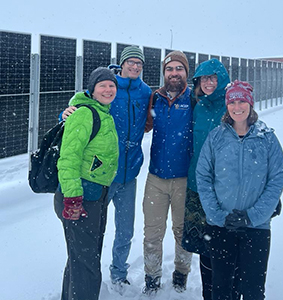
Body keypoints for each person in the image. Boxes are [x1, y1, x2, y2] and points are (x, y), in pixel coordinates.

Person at [60, 46, 151, 292]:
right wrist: (65, 113)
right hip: (100, 177)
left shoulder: (145, 92)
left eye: (138, 63)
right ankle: (87, 276)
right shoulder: (109, 88)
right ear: (121, 64)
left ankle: (118, 273)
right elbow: (82, 106)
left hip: (129, 173)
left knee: (125, 229)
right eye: (130, 62)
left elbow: (152, 117)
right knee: (91, 234)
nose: (134, 66)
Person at [196, 80, 283, 300]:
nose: (237, 107)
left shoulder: (266, 138)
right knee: (222, 288)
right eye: (233, 102)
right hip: (222, 226)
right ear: (227, 105)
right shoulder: (216, 137)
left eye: (242, 101)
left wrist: (253, 216)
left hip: (256, 228)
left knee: (252, 289)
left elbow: (277, 177)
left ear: (251, 104)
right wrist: (217, 215)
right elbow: (203, 176)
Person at [54, 67, 119, 300]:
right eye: (102, 85)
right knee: (87, 265)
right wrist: (73, 198)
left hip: (93, 197)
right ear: (92, 90)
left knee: (80, 259)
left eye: (112, 85)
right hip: (79, 199)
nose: (108, 89)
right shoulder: (84, 113)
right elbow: (68, 158)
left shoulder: (102, 112)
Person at [179, 58, 235, 300]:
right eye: (204, 78)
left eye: (213, 78)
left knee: (224, 244)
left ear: (221, 79)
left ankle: (226, 292)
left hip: (224, 188)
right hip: (197, 185)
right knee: (204, 246)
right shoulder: (197, 106)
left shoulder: (232, 106)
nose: (209, 83)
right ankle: (208, 294)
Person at [141, 50, 193, 295]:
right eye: (169, 69)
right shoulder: (155, 99)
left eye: (179, 68)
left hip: (184, 178)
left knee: (182, 231)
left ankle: (181, 275)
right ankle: (152, 278)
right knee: (152, 232)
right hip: (156, 179)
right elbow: (136, 122)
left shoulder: (194, 100)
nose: (174, 73)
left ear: (186, 72)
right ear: (163, 73)